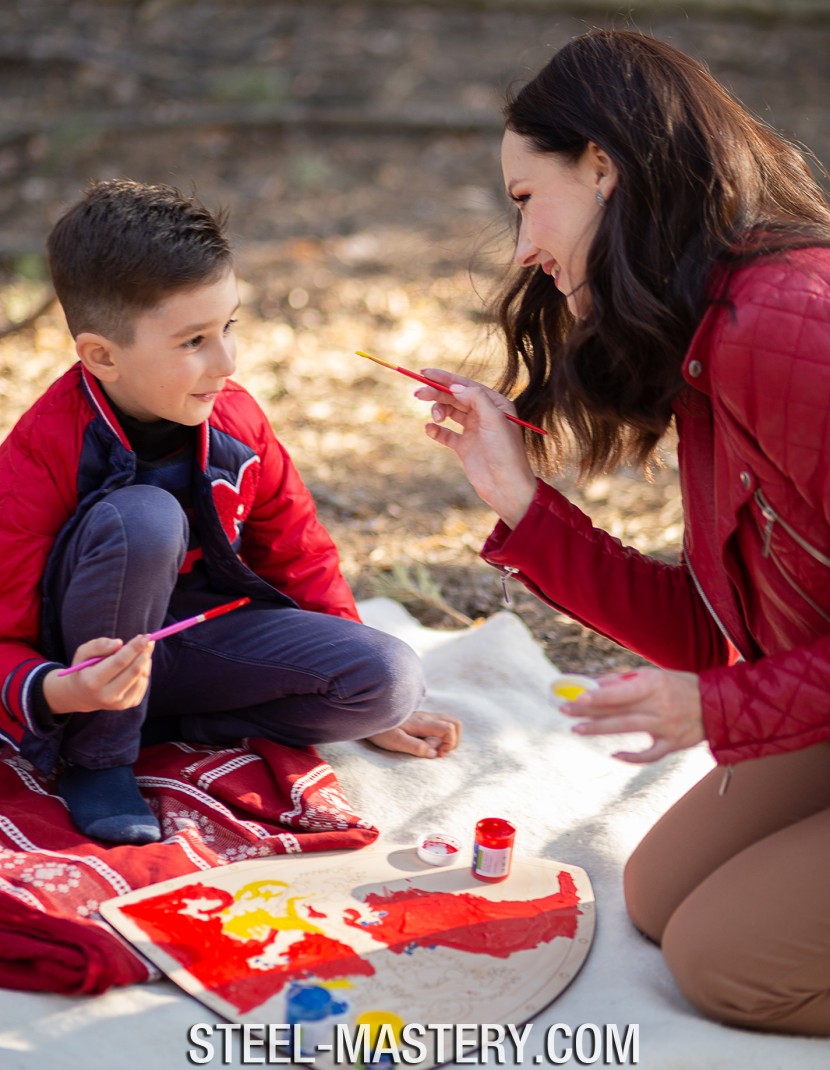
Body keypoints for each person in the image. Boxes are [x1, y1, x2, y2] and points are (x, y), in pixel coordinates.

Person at [415, 29, 830, 1035]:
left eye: (524, 199)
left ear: (602, 164)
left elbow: (717, 682)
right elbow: (704, 637)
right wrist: (522, 505)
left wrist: (724, 709)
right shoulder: (707, 334)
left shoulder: (784, 326)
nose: (521, 249)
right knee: (653, 891)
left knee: (722, 962)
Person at [0, 179, 460, 848]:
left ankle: (162, 721)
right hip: (83, 662)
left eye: (228, 327)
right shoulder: (41, 452)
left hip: (191, 642)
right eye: (193, 341)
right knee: (146, 519)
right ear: (102, 355)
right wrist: (59, 694)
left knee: (388, 680)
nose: (226, 362)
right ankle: (97, 754)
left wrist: (368, 706)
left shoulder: (237, 420)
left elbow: (299, 551)